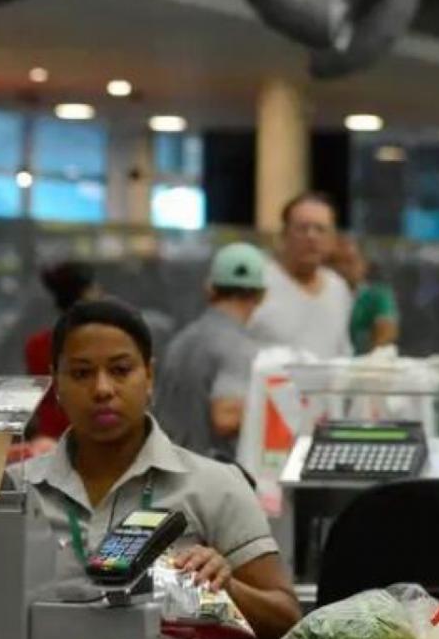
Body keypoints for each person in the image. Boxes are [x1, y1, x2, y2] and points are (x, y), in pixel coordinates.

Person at [22, 297, 301, 639]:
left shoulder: (215, 485)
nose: (102, 389)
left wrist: (227, 588)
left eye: (121, 370)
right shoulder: (16, 491)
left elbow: (287, 621)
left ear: (149, 376)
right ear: (56, 383)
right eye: (81, 373)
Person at [155, 243, 268, 461]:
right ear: (261, 295)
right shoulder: (240, 348)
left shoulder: (181, 340)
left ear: (210, 289)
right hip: (207, 477)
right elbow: (225, 418)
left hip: (168, 468)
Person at [249, 192, 353, 360]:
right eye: (302, 228)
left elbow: (343, 351)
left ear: (333, 238)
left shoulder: (338, 288)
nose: (311, 237)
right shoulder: (257, 282)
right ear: (284, 234)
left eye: (320, 229)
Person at [25, 261, 99, 441]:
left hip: (49, 439)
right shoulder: (99, 343)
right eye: (94, 287)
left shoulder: (36, 344)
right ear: (85, 293)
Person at [328, 234, 399, 355]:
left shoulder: (376, 296)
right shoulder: (321, 297)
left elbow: (386, 333)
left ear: (364, 264)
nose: (342, 269)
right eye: (335, 262)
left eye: (349, 261)